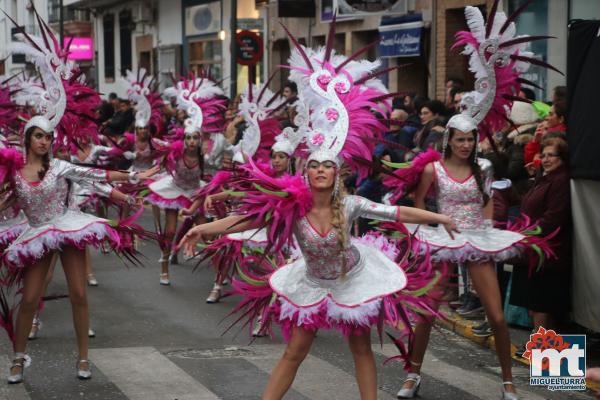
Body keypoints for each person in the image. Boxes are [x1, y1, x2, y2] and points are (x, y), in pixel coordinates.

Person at [393, 4, 557, 399]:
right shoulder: (433, 170)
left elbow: (487, 205)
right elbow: (419, 209)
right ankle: (412, 376)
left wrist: (483, 234)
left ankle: (507, 382)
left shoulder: (484, 166)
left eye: (471, 139)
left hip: (477, 239)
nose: (466, 145)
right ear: (449, 140)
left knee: (498, 317)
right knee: (426, 314)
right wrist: (426, 237)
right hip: (441, 239)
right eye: (460, 139)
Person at [511, 138, 572, 334]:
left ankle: (542, 352)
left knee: (542, 306)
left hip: (548, 253)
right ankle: (543, 351)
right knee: (536, 305)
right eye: (543, 155)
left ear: (562, 158)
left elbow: (553, 217)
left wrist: (524, 235)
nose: (546, 159)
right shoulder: (545, 178)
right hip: (532, 250)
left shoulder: (561, 181)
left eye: (551, 155)